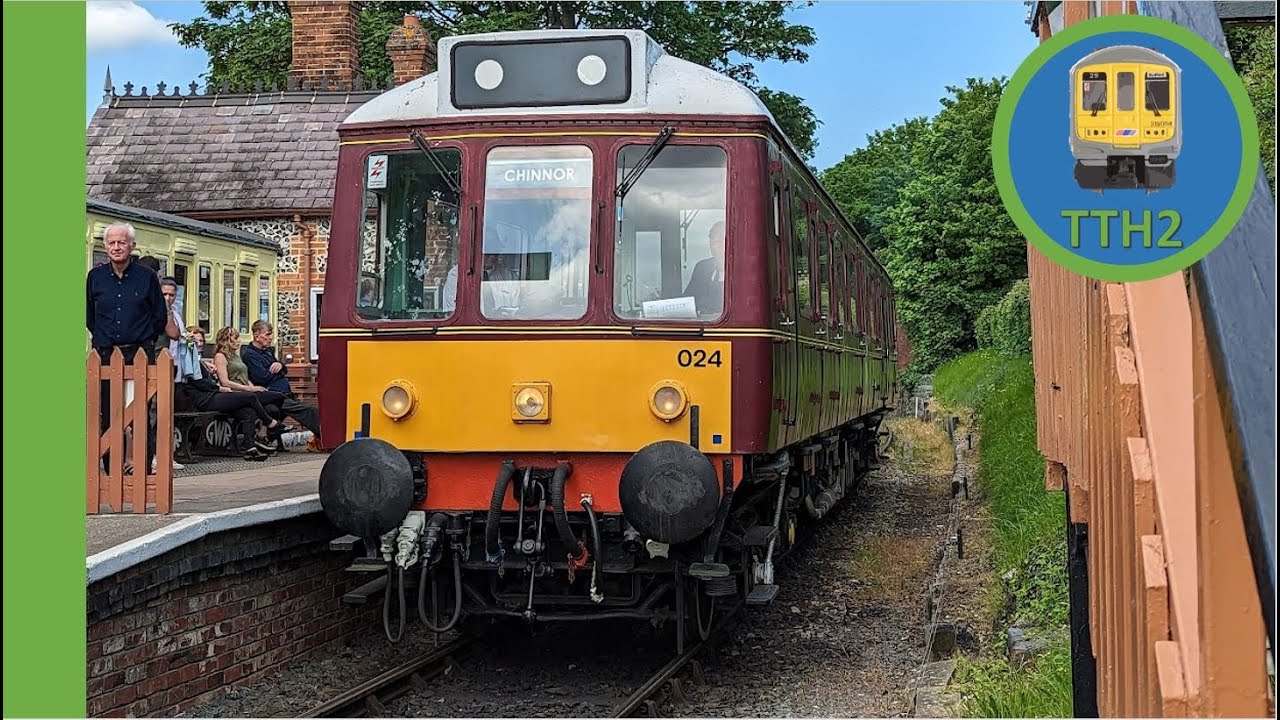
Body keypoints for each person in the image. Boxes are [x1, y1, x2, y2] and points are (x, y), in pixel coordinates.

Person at [86, 225, 178, 475]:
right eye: (111, 243)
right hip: (106, 354)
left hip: (138, 352)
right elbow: (90, 316)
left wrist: (142, 338)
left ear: (132, 246)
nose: (116, 247)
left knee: (139, 415)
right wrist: (104, 338)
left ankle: (142, 472)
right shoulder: (95, 277)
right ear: (105, 246)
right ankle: (112, 473)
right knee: (109, 415)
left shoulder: (146, 277)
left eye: (121, 242)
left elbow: (158, 317)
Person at [180, 329, 282, 461]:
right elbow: (199, 383)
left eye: (201, 341)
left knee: (248, 411)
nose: (199, 344)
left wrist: (210, 373)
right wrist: (219, 388)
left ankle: (250, 449)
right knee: (250, 397)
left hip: (212, 394)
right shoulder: (190, 359)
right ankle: (270, 422)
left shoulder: (199, 360)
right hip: (205, 399)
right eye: (195, 342)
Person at [241, 320, 324, 451]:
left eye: (271, 334)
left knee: (303, 409)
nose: (270, 338)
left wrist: (280, 365)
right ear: (257, 336)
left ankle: (268, 438)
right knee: (308, 411)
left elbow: (283, 369)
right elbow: (261, 377)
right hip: (273, 394)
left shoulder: (267, 352)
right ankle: (326, 439)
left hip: (284, 393)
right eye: (267, 335)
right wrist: (279, 372)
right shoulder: (250, 355)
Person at [211, 326, 287, 449]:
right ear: (227, 340)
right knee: (255, 407)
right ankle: (266, 429)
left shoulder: (236, 356)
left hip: (247, 391)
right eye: (235, 338)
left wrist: (254, 387)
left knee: (274, 403)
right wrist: (249, 389)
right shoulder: (220, 356)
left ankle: (261, 435)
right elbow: (225, 382)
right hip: (235, 393)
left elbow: (245, 377)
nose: (239, 341)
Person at [681, 221, 727, 316]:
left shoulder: (743, 271)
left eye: (721, 241)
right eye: (713, 242)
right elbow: (687, 301)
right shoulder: (702, 268)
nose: (716, 247)